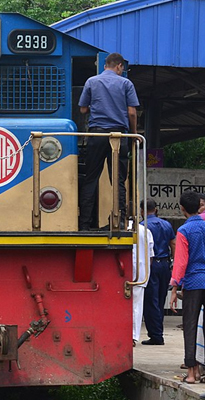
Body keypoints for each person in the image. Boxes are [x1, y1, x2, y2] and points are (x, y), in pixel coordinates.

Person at [78, 52, 140, 230]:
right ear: (119, 66)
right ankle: (120, 220)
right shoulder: (126, 83)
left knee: (91, 178)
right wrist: (133, 134)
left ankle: (84, 224)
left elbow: (82, 109)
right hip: (119, 136)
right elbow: (132, 113)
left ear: (106, 65)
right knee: (119, 180)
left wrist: (96, 107)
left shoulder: (91, 81)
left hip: (96, 135)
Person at [169, 191, 205, 384]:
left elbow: (181, 262)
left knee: (190, 326)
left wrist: (175, 286)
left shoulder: (184, 231)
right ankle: (203, 372)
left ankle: (192, 373)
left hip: (193, 282)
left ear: (182, 209)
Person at [140, 199, 176, 345]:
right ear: (155, 209)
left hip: (151, 265)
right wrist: (173, 262)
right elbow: (173, 243)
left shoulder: (142, 226)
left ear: (142, 211)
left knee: (150, 301)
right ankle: (158, 331)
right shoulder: (166, 224)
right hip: (165, 264)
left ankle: (156, 335)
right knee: (160, 299)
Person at [132, 222, 154, 346]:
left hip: (122, 271)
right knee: (136, 306)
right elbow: (150, 255)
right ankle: (133, 336)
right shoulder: (145, 231)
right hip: (140, 273)